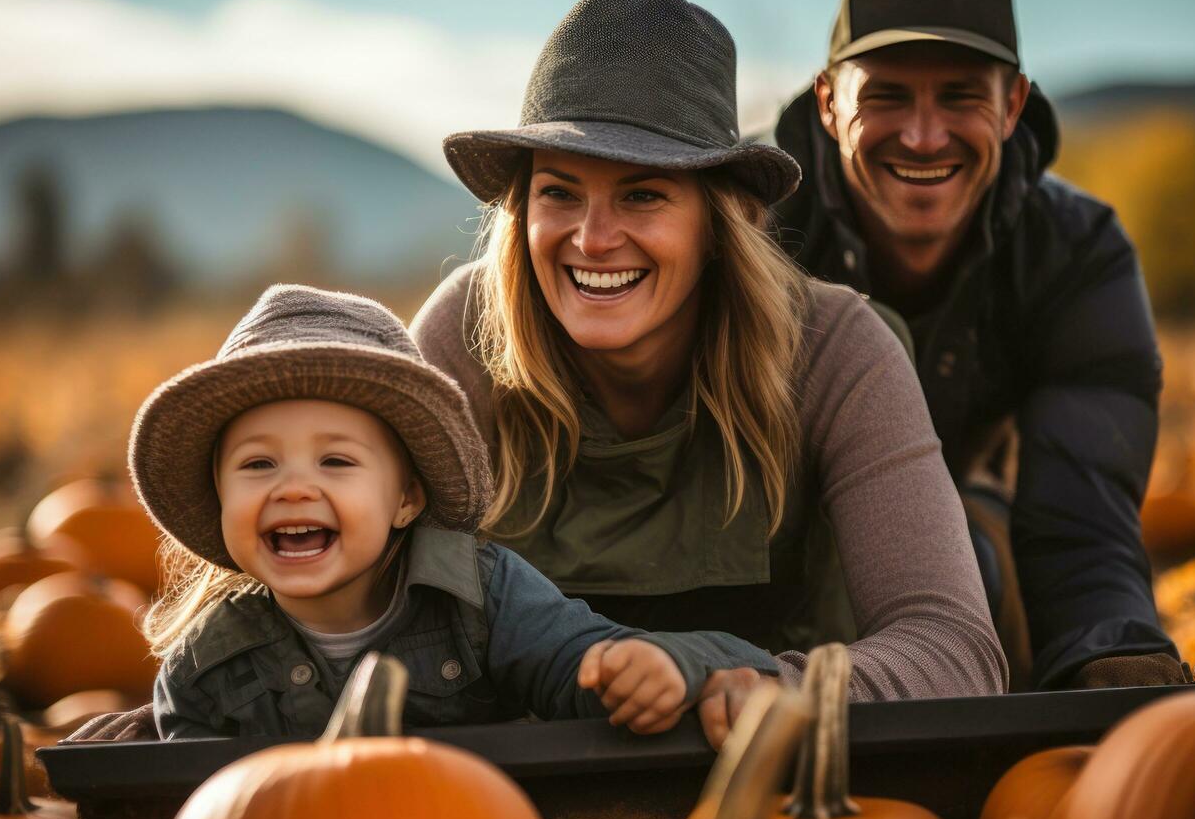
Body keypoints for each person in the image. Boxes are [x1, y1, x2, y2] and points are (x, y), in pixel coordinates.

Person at [416, 0, 1006, 732]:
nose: (593, 240)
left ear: (720, 218)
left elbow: (955, 649)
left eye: (642, 195)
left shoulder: (833, 349)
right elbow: (379, 608)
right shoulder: (463, 339)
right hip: (511, 799)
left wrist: (779, 690)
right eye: (559, 193)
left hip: (778, 788)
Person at [129, 283, 779, 743]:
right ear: (221, 499)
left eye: (336, 462)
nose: (293, 489)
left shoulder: (481, 597)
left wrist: (659, 672)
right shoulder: (205, 668)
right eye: (257, 465)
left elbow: (585, 667)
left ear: (406, 499)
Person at [768, 0, 1187, 690]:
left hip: (958, 548)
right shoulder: (749, 234)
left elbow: (1079, 520)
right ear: (827, 102)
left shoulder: (1074, 253)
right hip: (765, 545)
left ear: (1012, 104)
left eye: (960, 97)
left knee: (979, 567)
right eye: (887, 97)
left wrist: (1107, 655)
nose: (924, 137)